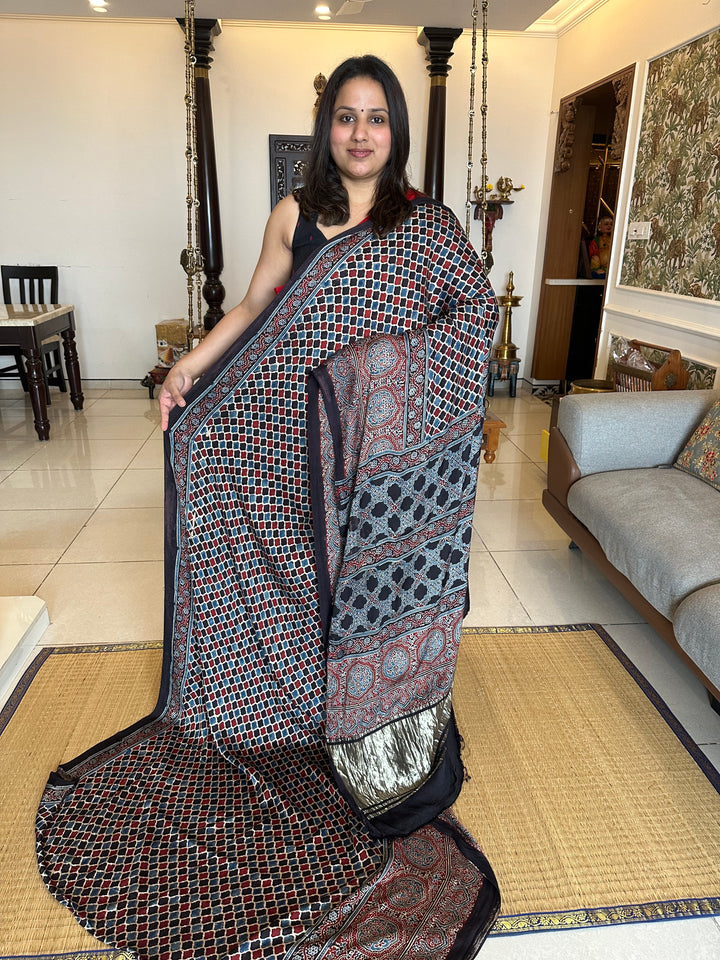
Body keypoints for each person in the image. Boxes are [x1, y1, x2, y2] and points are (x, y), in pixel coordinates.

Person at [37, 55, 500, 959]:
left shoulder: (428, 227)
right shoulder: (296, 214)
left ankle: (362, 723)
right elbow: (254, 305)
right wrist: (190, 369)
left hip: (373, 459)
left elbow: (473, 316)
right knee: (277, 564)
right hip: (284, 440)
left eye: (376, 118)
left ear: (395, 132)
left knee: (349, 587)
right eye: (345, 117)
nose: (360, 133)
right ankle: (276, 698)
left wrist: (383, 379)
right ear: (326, 127)